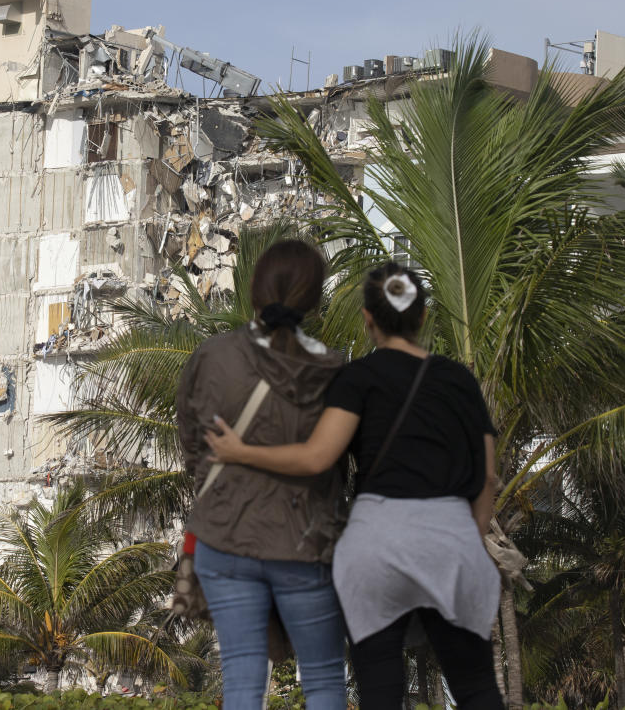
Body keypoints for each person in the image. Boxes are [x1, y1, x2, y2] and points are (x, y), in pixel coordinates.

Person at [206, 262, 503, 710]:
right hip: (451, 537)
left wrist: (239, 452)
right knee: (477, 688)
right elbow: (487, 474)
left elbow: (316, 459)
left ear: (368, 319)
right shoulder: (458, 379)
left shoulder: (357, 379)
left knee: (379, 692)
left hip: (377, 543)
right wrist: (470, 537)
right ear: (422, 317)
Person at [176, 239, 349, 710]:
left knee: (242, 679)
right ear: (314, 299)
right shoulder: (332, 370)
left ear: (253, 289)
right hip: (304, 541)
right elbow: (338, 459)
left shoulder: (212, 357)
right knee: (324, 678)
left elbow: (192, 444)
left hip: (224, 536)